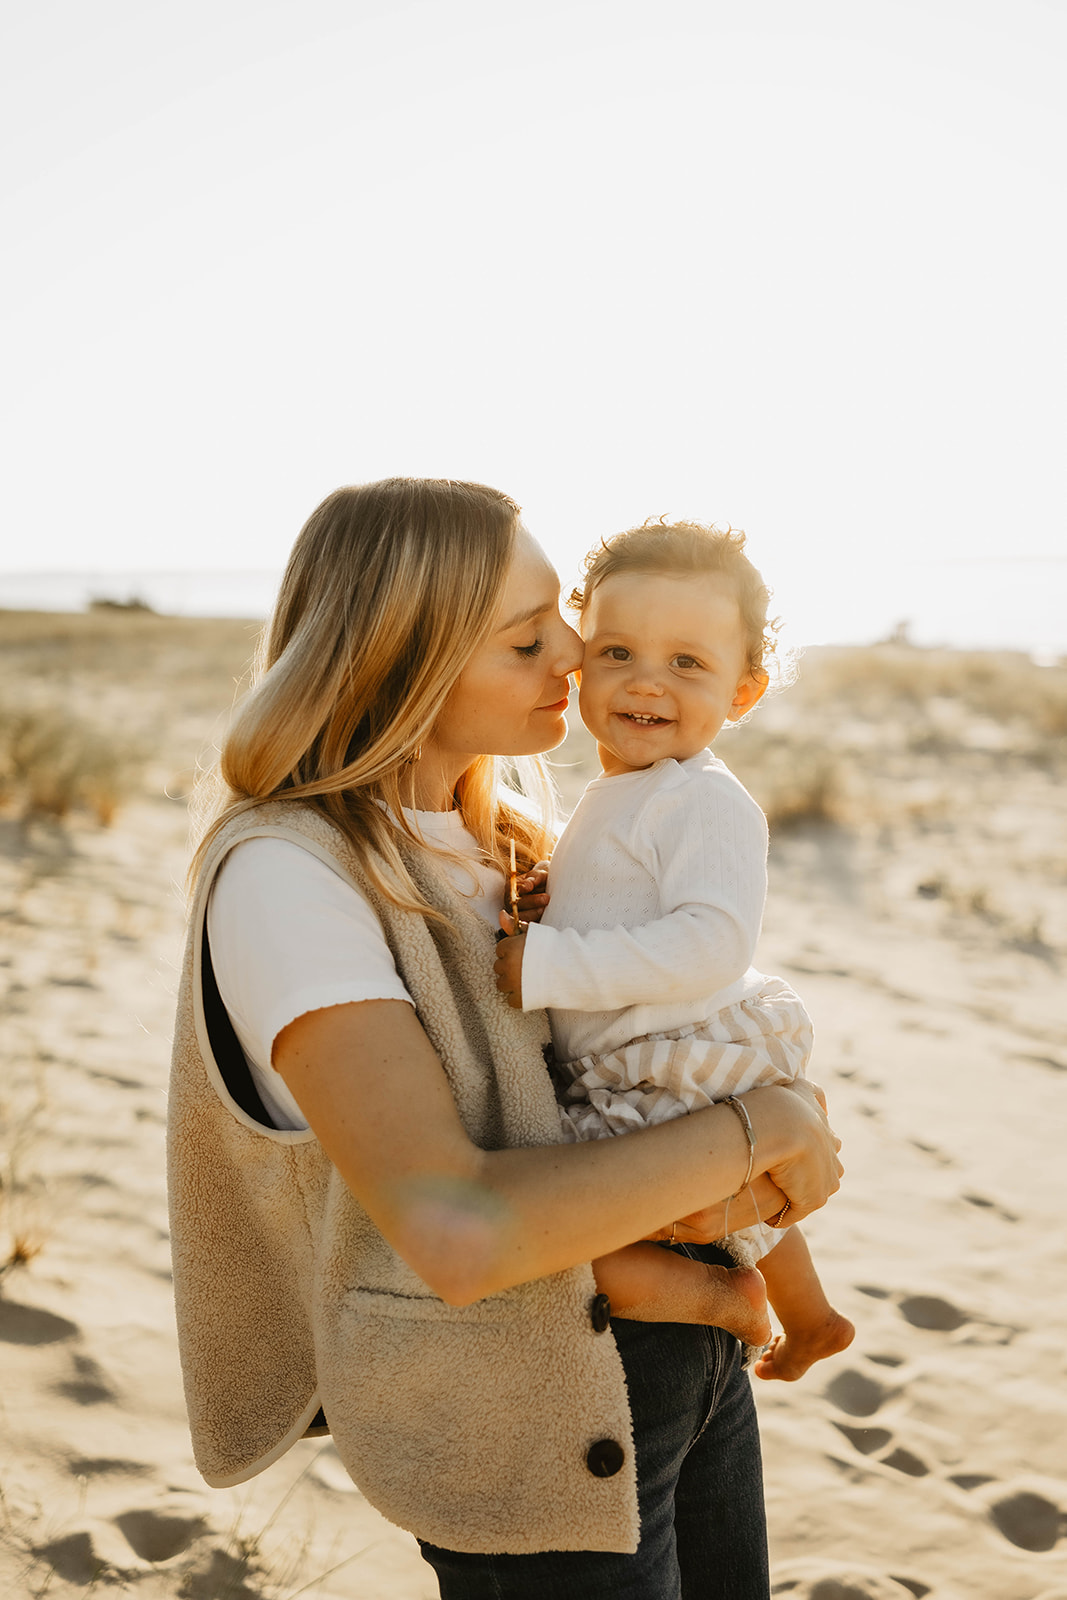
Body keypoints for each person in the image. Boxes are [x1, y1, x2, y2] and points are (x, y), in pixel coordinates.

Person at [167, 479, 842, 1600]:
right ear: (406, 662)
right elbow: (457, 1233)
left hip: (688, 1366)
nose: (578, 650)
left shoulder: (506, 844)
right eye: (531, 637)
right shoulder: (290, 878)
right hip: (525, 1426)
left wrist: (722, 1243)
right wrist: (761, 1124)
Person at [493, 519, 854, 1381]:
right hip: (644, 1045)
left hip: (663, 1049)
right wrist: (552, 905)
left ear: (743, 692)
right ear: (579, 662)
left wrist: (543, 967)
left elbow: (711, 942)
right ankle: (810, 1319)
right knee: (733, 1206)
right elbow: (621, 903)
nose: (645, 682)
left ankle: (732, 1304)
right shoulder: (623, 793)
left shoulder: (702, 800)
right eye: (616, 651)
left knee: (569, 1225)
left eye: (687, 663)